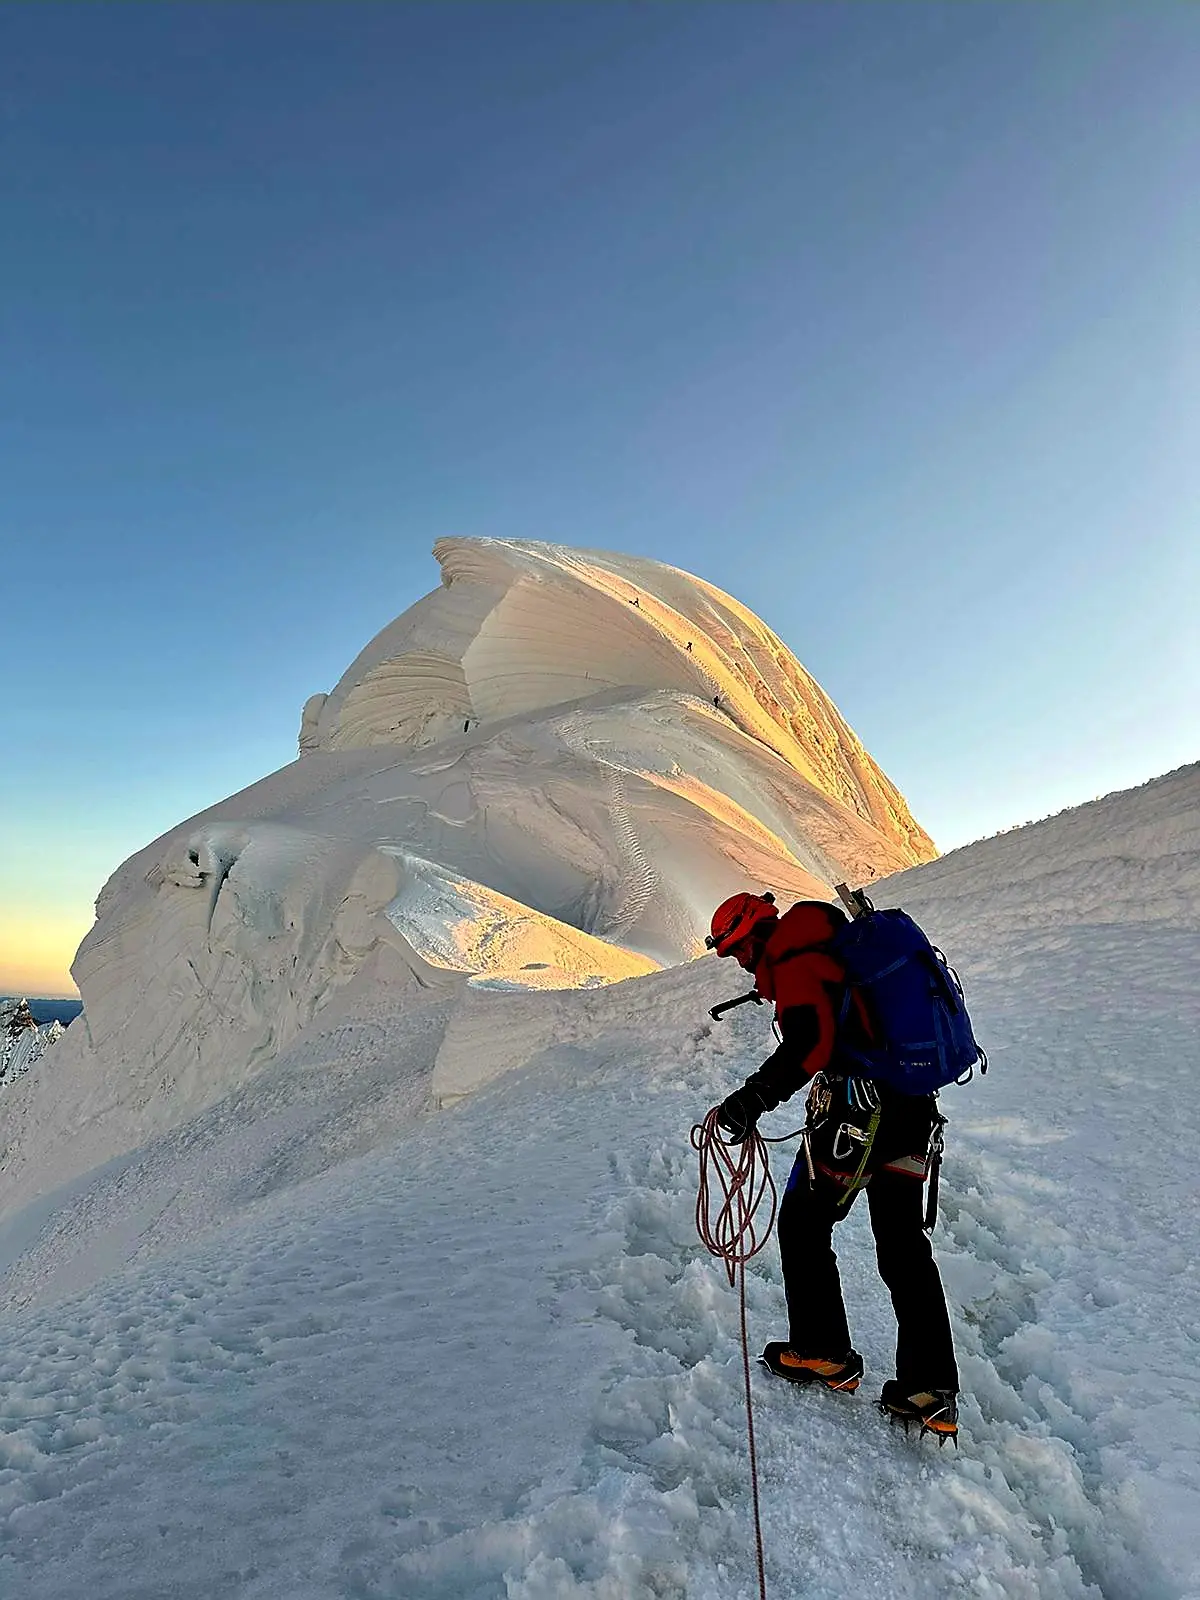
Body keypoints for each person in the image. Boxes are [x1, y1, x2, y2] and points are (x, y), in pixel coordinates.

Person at [707, 891, 959, 1440]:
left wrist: (751, 1100)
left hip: (860, 1113)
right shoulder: (828, 946)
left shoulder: (796, 959)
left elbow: (810, 1045)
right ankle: (930, 1388)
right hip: (913, 1108)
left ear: (758, 935)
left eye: (740, 950)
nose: (742, 963)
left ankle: (822, 1350)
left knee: (802, 1221)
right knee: (904, 1246)